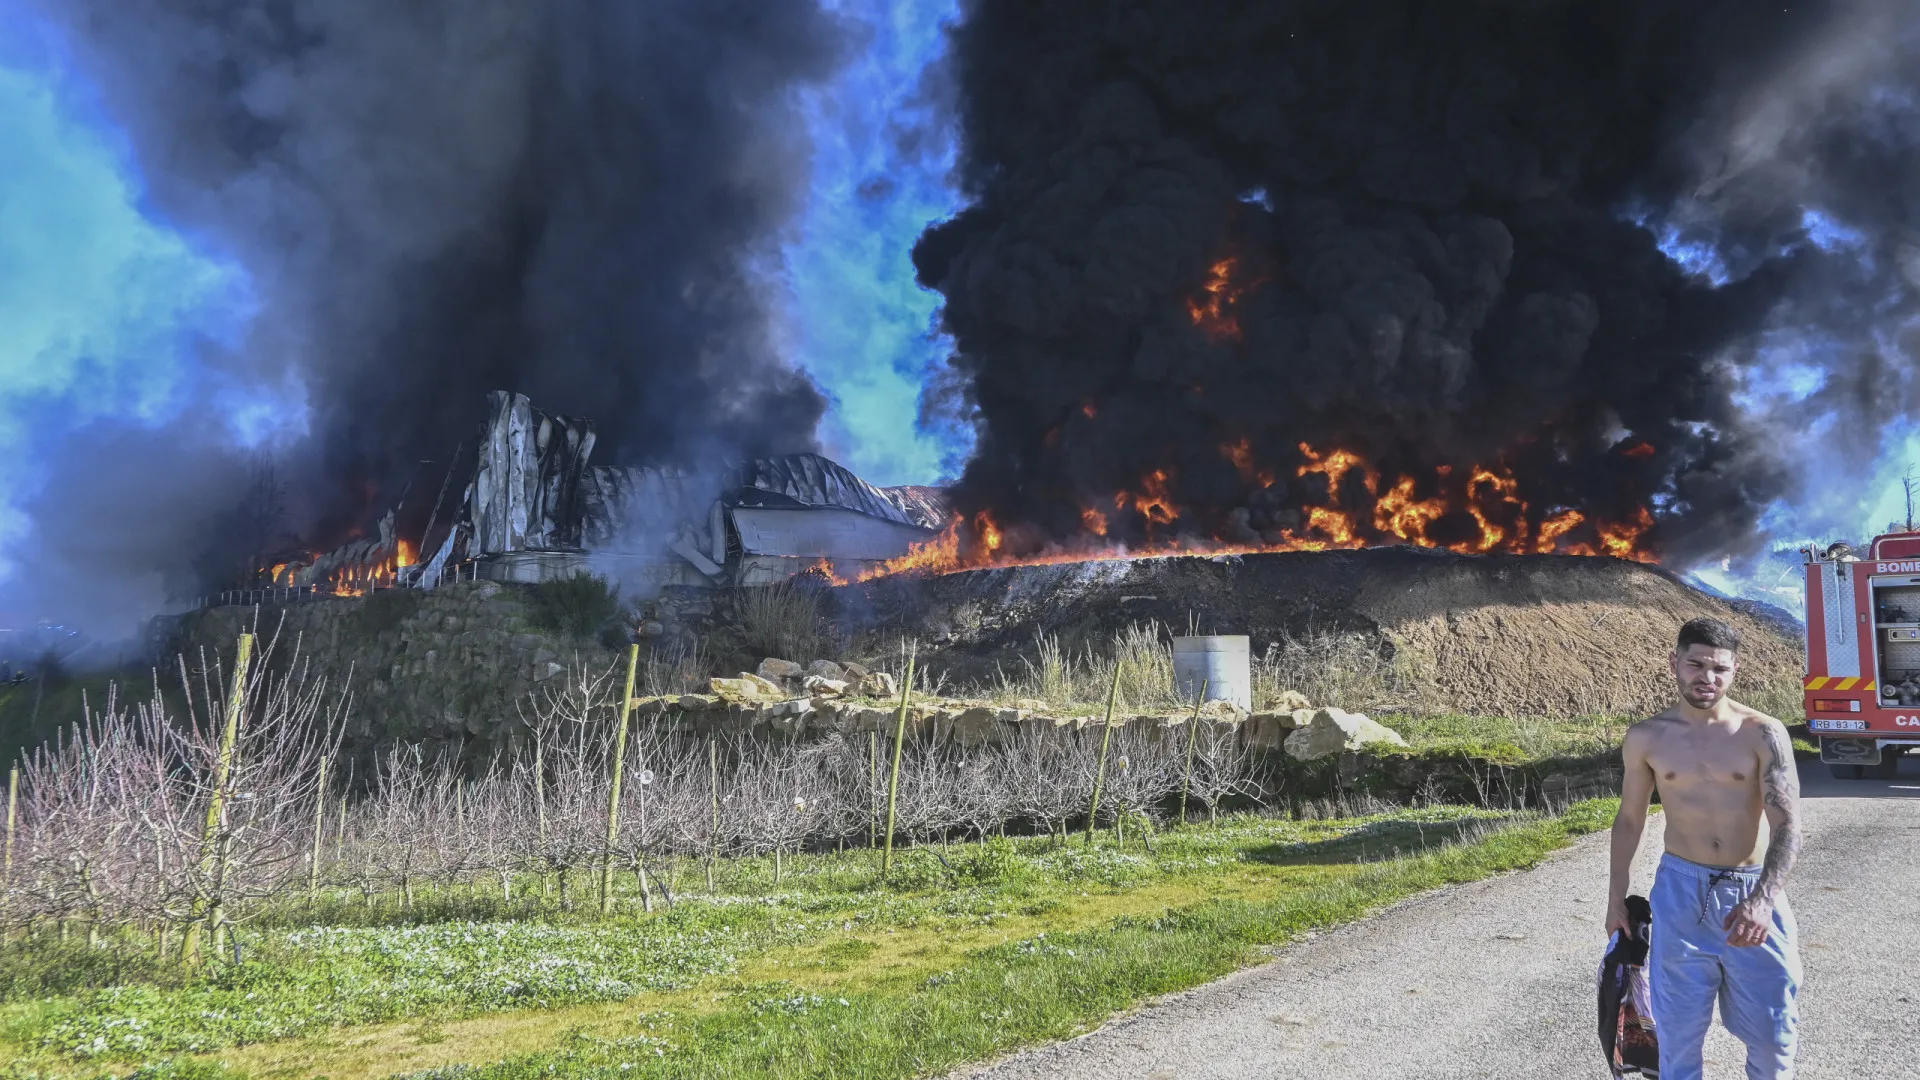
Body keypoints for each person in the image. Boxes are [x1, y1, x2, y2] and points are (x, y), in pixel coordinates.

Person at [1607, 616, 1803, 1080]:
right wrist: (1616, 898)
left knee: (1774, 1034)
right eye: (1696, 665)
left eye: (1719, 669)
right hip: (1680, 891)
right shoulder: (1647, 737)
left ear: (1735, 670)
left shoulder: (1763, 733)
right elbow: (1629, 819)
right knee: (1677, 1037)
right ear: (1674, 663)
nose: (1707, 678)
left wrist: (1763, 900)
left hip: (1752, 893)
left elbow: (1787, 823)